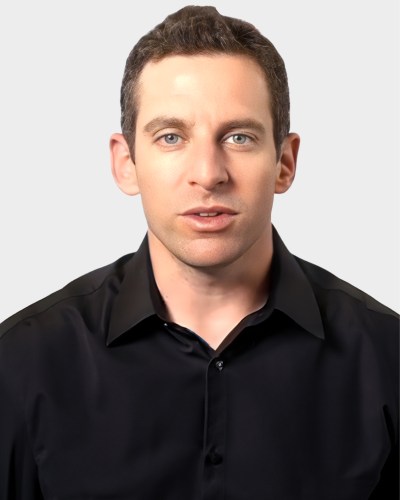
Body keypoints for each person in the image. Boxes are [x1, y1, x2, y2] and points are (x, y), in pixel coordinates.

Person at [0, 5, 398, 499]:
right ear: (126, 164)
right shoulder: (21, 363)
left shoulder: (387, 360)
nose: (208, 173)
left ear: (285, 163)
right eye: (172, 137)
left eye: (239, 137)